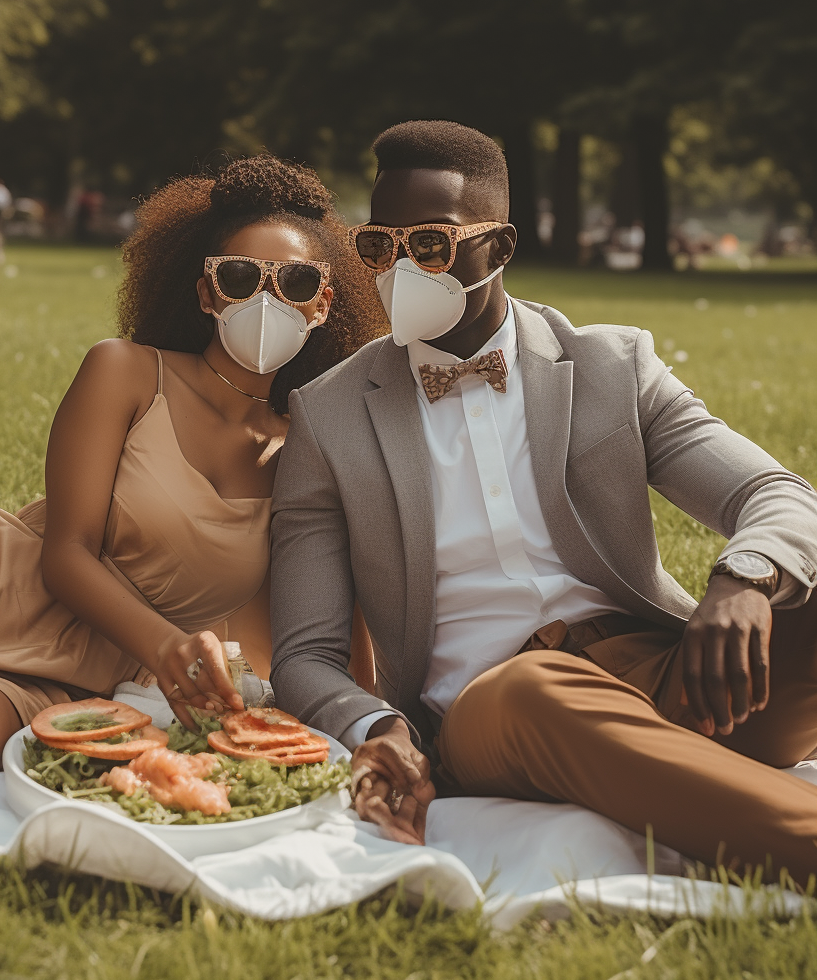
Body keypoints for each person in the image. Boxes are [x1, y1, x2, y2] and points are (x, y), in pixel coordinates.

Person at [269, 120, 817, 881]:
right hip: (492, 709)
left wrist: (744, 577)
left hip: (669, 679)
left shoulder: (611, 367)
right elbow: (305, 654)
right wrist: (379, 725)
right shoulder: (328, 416)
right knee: (532, 691)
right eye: (379, 246)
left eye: (429, 243)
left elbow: (776, 494)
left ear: (500, 247)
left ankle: (686, 782)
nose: (400, 268)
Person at [0, 154, 382, 800]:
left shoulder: (305, 452)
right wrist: (167, 648)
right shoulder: (125, 373)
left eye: (295, 283)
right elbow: (68, 554)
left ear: (324, 302)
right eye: (242, 277)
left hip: (71, 686)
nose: (268, 300)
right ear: (207, 291)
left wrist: (378, 728)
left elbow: (325, 631)